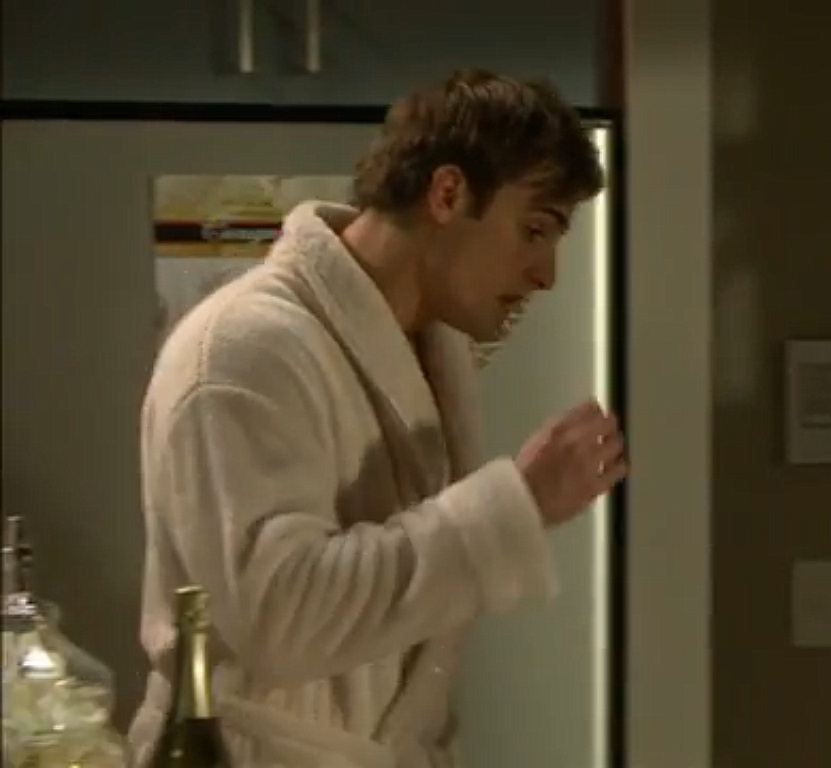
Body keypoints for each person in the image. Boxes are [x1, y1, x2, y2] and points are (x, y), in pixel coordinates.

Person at [126, 70, 627, 768]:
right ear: (447, 194)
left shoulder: (435, 354)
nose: (547, 273)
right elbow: (278, 618)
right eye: (534, 229)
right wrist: (516, 503)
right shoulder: (243, 350)